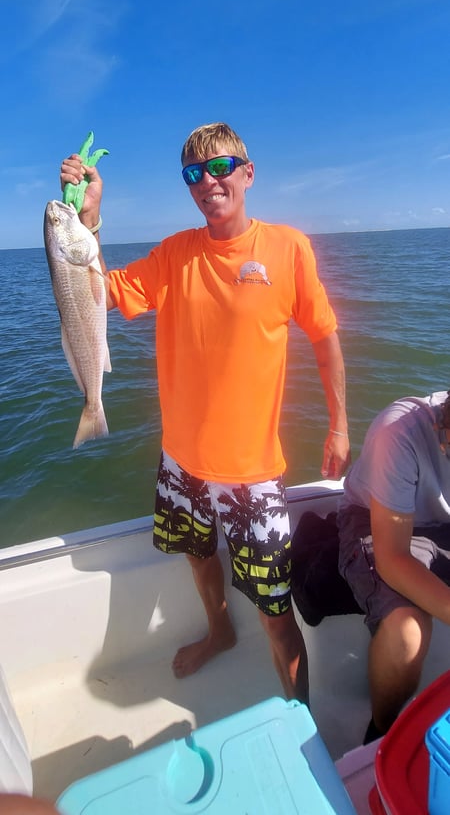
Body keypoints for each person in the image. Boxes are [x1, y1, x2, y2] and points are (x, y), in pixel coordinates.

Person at [60, 121, 349, 705]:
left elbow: (325, 337)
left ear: (247, 172)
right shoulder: (175, 254)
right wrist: (88, 216)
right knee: (197, 557)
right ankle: (218, 631)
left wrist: (340, 424)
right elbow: (103, 294)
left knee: (274, 611)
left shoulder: (289, 248)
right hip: (181, 465)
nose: (208, 182)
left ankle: (301, 725)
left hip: (252, 475)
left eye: (220, 167)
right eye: (195, 173)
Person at [337, 390, 450, 743]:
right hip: (382, 522)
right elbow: (393, 560)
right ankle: (382, 732)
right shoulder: (398, 433)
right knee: (408, 634)